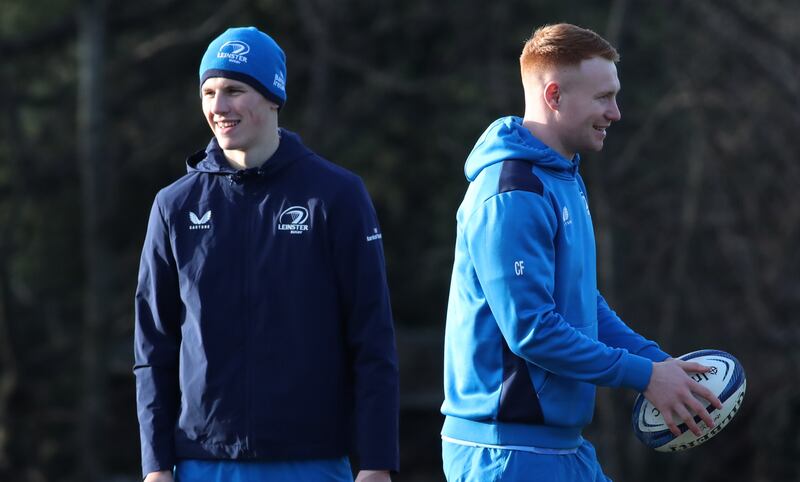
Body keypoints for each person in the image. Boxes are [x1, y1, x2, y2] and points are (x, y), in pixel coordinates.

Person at [440, 23, 722, 481]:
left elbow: (581, 303)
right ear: (554, 96)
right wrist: (643, 376)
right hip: (506, 453)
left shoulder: (562, 178)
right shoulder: (512, 193)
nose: (616, 112)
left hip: (561, 448)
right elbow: (533, 330)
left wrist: (659, 364)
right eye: (603, 97)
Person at [134, 26, 398, 482]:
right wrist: (155, 466)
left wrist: (376, 460)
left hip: (313, 460)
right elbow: (153, 347)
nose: (218, 107)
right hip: (203, 462)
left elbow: (371, 337)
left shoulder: (336, 196)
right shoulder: (174, 206)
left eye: (234, 90)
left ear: (273, 96)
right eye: (209, 92)